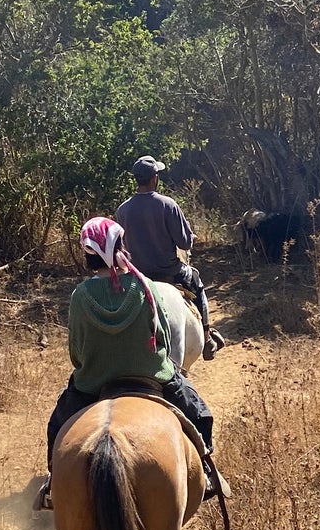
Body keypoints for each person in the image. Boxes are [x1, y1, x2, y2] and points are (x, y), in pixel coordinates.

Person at [33, 215, 222, 512]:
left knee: (57, 426)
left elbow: (76, 353)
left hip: (93, 382)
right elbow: (162, 340)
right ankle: (209, 473)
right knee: (200, 413)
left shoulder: (80, 296)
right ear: (120, 247)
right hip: (151, 377)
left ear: (88, 256)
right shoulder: (145, 286)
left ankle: (53, 484)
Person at [114, 155, 224, 361]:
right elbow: (185, 244)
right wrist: (190, 236)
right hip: (169, 271)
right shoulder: (168, 204)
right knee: (197, 283)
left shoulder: (122, 210)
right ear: (155, 178)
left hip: (137, 276)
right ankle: (207, 337)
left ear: (137, 179)